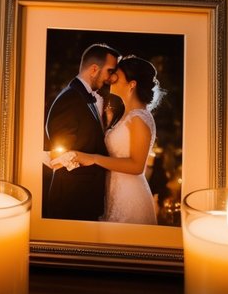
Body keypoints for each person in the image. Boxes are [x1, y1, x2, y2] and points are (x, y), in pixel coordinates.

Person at [68, 56, 162, 226]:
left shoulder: (138, 118)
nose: (111, 79)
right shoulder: (126, 115)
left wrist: (93, 158)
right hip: (116, 191)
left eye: (116, 75)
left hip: (130, 196)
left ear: (132, 84)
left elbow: (137, 166)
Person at [44, 43, 120, 221]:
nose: (111, 78)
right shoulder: (70, 100)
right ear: (94, 69)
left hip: (83, 199)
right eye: (110, 70)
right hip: (72, 201)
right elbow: (62, 157)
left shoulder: (81, 96)